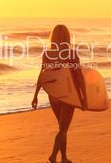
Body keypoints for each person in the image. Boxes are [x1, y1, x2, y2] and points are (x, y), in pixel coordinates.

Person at [32, 24, 87, 163]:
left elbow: (42, 75)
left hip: (54, 96)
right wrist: (84, 97)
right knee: (63, 129)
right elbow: (79, 77)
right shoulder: (71, 53)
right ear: (67, 37)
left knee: (62, 127)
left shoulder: (47, 53)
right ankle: (53, 156)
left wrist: (36, 95)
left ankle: (64, 158)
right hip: (68, 94)